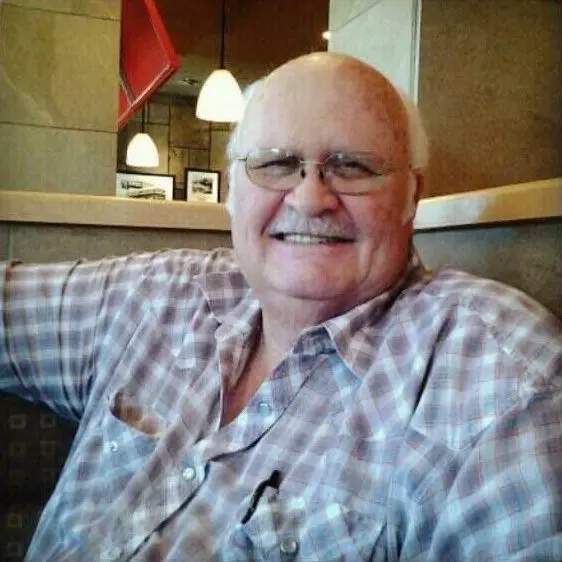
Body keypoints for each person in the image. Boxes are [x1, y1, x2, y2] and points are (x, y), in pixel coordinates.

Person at [1, 52, 561, 561]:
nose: (311, 198)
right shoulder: (156, 295)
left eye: (352, 166)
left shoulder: (491, 373)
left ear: (412, 195)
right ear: (232, 192)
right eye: (275, 163)